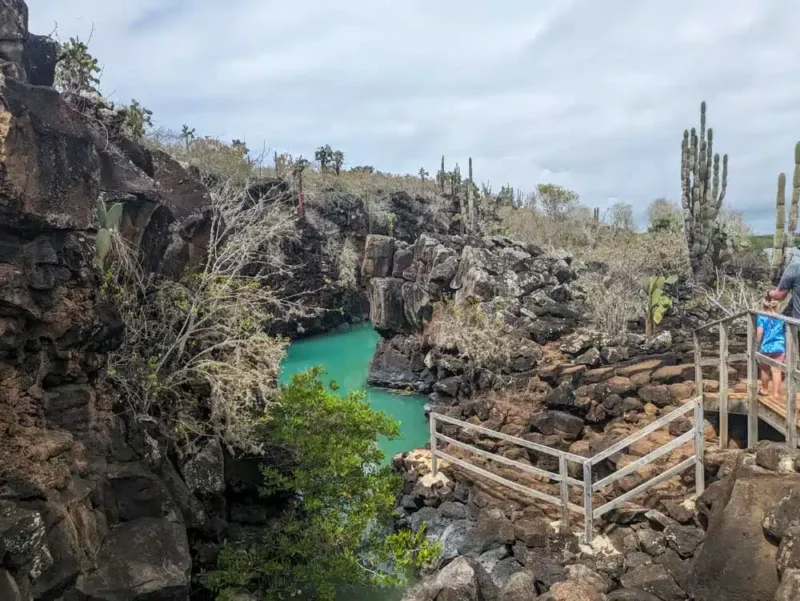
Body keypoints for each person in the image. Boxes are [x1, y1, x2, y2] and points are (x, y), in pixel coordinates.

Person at [757, 296, 786, 396]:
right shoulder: (781, 317)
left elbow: (760, 332)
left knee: (764, 369)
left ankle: (765, 390)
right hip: (779, 346)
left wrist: (757, 344)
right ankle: (776, 393)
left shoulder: (761, 317)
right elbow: (785, 332)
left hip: (766, 346)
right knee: (776, 370)